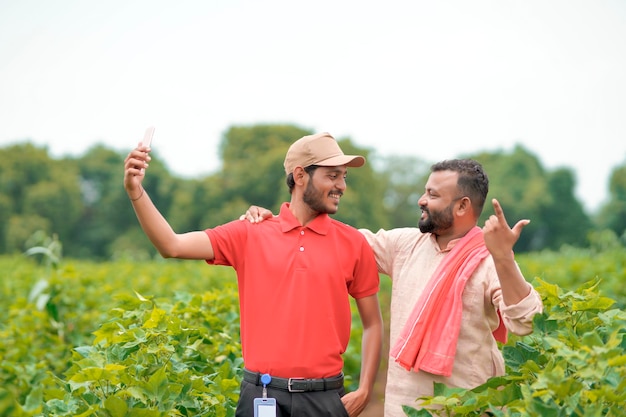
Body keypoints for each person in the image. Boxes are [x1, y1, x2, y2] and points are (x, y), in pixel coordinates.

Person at [242, 158, 543, 416]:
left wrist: (504, 258)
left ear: (462, 205)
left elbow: (526, 321)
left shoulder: (489, 260)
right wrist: (275, 222)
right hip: (403, 407)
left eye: (432, 195)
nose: (421, 200)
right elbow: (337, 241)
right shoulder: (405, 245)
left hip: (463, 406)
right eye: (425, 191)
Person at [123, 132, 384, 417]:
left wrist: (365, 389)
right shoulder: (250, 232)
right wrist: (136, 191)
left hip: (325, 399)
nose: (342, 186)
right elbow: (171, 245)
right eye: (332, 176)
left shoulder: (353, 242)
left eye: (344, 176)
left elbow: (372, 323)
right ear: (300, 175)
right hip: (261, 397)